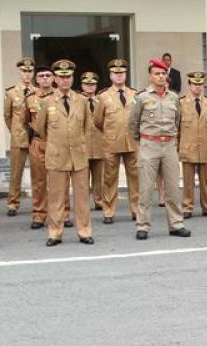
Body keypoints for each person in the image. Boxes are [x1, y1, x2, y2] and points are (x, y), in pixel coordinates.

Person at [32, 59, 93, 246]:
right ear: (55, 79)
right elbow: (40, 129)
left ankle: (84, 231)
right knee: (57, 196)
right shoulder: (46, 101)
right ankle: (55, 232)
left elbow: (87, 127)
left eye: (68, 77)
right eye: (61, 77)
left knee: (82, 197)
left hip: (78, 155)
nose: (65, 81)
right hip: (57, 155)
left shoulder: (81, 101)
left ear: (72, 78)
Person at [128, 58, 190, 240]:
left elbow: (177, 120)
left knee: (172, 188)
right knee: (146, 189)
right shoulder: (141, 97)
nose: (161, 76)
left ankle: (176, 224)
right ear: (150, 76)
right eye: (157, 74)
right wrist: (144, 141)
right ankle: (143, 226)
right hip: (149, 144)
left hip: (169, 145)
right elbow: (133, 123)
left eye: (163, 73)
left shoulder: (174, 97)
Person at [93, 59, 140, 224]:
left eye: (121, 73)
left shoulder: (135, 94)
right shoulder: (104, 96)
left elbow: (139, 118)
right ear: (111, 75)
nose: (119, 76)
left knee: (135, 177)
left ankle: (136, 209)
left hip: (132, 142)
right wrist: (110, 133)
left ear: (125, 74)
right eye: (115, 73)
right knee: (109, 178)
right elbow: (98, 121)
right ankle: (108, 211)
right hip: (111, 143)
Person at [179, 71, 207, 218]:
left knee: (205, 180)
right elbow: (177, 127)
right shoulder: (181, 103)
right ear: (189, 85)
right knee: (188, 181)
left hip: (204, 147)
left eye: (200, 84)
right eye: (195, 84)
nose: (198, 87)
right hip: (187, 147)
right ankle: (187, 207)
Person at [24, 65, 55, 228]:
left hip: (57, 143)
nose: (45, 78)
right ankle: (39, 214)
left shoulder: (60, 96)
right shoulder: (30, 98)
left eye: (48, 75)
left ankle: (62, 213)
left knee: (59, 180)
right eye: (41, 76)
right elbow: (25, 121)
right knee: (38, 181)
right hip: (39, 142)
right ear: (36, 79)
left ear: (54, 78)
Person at [3, 57, 34, 217]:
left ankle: (39, 202)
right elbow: (7, 116)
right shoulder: (11, 92)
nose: (27, 75)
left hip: (36, 138)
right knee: (16, 172)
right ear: (20, 72)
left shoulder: (39, 91)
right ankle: (13, 203)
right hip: (19, 137)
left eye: (29, 71)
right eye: (24, 71)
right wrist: (15, 131)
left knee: (38, 173)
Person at [79, 71, 105, 211]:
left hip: (99, 143)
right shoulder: (76, 100)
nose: (89, 87)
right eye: (86, 84)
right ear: (82, 85)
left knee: (99, 176)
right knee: (82, 178)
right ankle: (83, 202)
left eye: (92, 84)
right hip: (83, 144)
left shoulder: (102, 100)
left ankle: (99, 200)